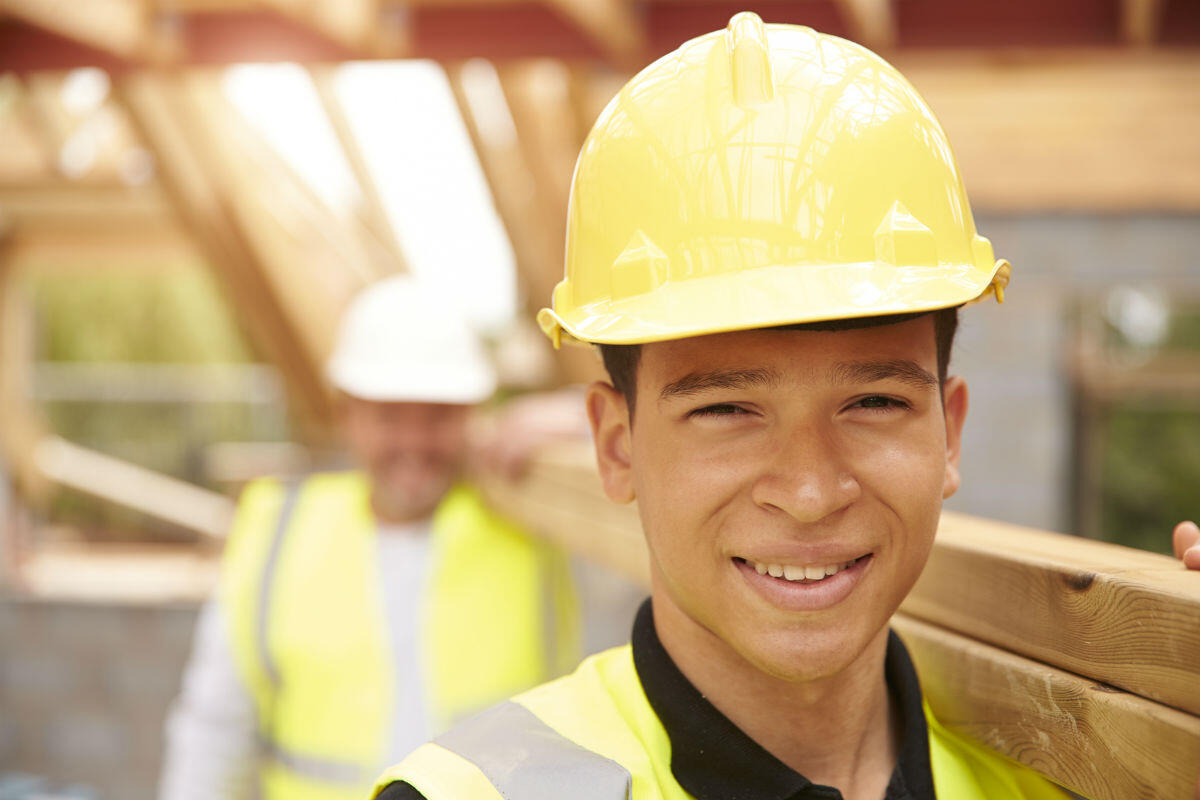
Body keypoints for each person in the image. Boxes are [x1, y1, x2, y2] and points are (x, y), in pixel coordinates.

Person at [371, 15, 1200, 800]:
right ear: (617, 447)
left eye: (873, 401)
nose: (809, 491)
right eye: (728, 410)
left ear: (950, 433)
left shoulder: (1066, 781)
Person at [160, 275, 596, 800]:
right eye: (390, 416)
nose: (413, 442)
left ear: (473, 412)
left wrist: (582, 417)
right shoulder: (280, 531)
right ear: (347, 413)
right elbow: (215, 729)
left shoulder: (528, 521)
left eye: (436, 414)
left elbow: (643, 502)